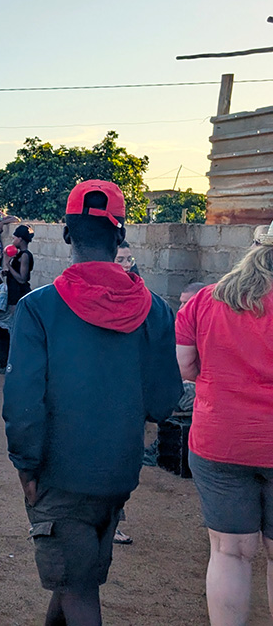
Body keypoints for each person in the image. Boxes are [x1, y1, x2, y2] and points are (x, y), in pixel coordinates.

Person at [3, 180, 182, 626]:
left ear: (66, 234)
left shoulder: (38, 308)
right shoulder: (155, 309)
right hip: (119, 471)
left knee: (79, 588)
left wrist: (26, 466)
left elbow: (24, 401)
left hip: (57, 472)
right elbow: (164, 400)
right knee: (75, 576)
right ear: (120, 237)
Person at [175, 220, 273, 625]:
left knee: (230, 552)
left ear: (252, 249)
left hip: (220, 441)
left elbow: (185, 367)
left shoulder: (204, 300)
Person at [5, 224, 34, 327]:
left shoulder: (25, 255)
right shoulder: (17, 254)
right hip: (13, 292)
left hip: (19, 293)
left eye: (15, 238)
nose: (13, 240)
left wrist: (8, 264)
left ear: (20, 239)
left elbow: (22, 279)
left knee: (18, 323)